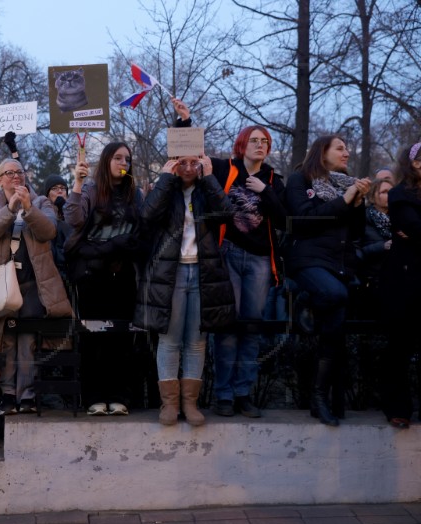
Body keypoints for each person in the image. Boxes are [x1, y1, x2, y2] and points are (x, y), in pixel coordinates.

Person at [174, 101, 287, 418]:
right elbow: (192, 156)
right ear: (242, 144)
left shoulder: (275, 179)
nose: (261, 144)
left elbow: (282, 220)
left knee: (251, 327)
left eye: (265, 141)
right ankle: (223, 395)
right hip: (227, 254)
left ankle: (243, 394)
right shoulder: (226, 168)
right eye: (255, 139)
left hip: (260, 259)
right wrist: (186, 121)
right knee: (227, 326)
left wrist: (265, 190)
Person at [135, 154, 235, 426]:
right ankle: (169, 403)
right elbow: (147, 216)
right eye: (183, 163)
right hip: (172, 273)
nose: (189, 168)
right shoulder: (166, 189)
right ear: (173, 164)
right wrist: (165, 180)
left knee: (197, 341)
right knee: (170, 339)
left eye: (195, 163)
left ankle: (190, 403)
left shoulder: (206, 190)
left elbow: (227, 213)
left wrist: (210, 177)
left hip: (203, 273)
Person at [284, 136, 370, 427]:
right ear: (323, 152)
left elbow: (357, 230)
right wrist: (344, 201)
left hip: (339, 264)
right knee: (336, 295)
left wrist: (358, 203)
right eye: (340, 148)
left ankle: (319, 398)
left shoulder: (348, 184)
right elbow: (303, 220)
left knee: (333, 336)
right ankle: (304, 301)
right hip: (307, 260)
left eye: (347, 148)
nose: (347, 152)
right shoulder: (300, 180)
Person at [0, 159, 73, 416]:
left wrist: (28, 208)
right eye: (9, 173)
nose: (16, 177)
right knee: (5, 339)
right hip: (1, 285)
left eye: (20, 172)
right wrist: (10, 209)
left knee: (28, 340)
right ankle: (8, 395)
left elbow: (49, 231)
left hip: (33, 285)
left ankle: (27, 395)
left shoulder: (40, 201)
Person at [65, 143, 143, 416]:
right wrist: (77, 182)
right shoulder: (91, 189)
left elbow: (142, 230)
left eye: (128, 159)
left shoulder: (136, 193)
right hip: (92, 273)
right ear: (107, 159)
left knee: (121, 339)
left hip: (123, 274)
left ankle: (119, 396)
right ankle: (94, 397)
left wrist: (122, 245)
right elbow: (73, 219)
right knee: (93, 338)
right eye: (118, 157)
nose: (124, 162)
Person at [379, 143, 421, 429]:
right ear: (416, 163)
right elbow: (413, 227)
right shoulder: (398, 194)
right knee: (400, 346)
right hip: (405, 281)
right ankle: (398, 408)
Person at [354, 178, 393, 316]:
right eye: (384, 192)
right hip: (371, 280)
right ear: (372, 196)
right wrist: (382, 246)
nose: (390, 195)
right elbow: (356, 251)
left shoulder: (402, 218)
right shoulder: (362, 218)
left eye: (392, 191)